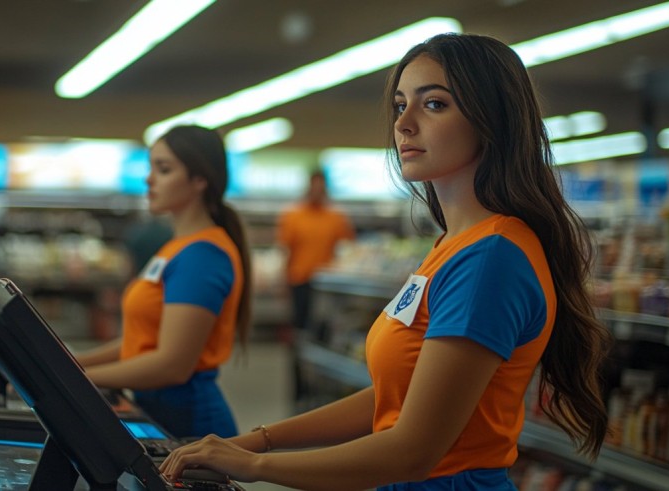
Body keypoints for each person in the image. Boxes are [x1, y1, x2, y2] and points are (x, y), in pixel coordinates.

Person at [159, 33, 612, 490]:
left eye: (434, 104)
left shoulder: (490, 258)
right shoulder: (454, 245)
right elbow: (397, 394)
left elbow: (412, 452)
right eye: (400, 106)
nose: (404, 124)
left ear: (492, 118)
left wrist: (253, 468)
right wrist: (258, 441)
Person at [75, 125, 252, 439]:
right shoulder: (177, 247)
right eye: (151, 167)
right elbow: (142, 341)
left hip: (190, 425)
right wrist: (71, 364)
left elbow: (172, 364)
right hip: (159, 411)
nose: (149, 179)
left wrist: (73, 381)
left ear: (200, 180)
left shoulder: (203, 255)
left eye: (164, 169)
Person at [277, 170, 355, 332]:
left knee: (322, 325)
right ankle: (297, 353)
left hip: (326, 281)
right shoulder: (293, 216)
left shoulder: (335, 218)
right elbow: (286, 250)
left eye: (321, 187)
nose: (317, 191)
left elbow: (347, 248)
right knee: (299, 322)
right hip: (299, 278)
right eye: (314, 186)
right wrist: (283, 280)